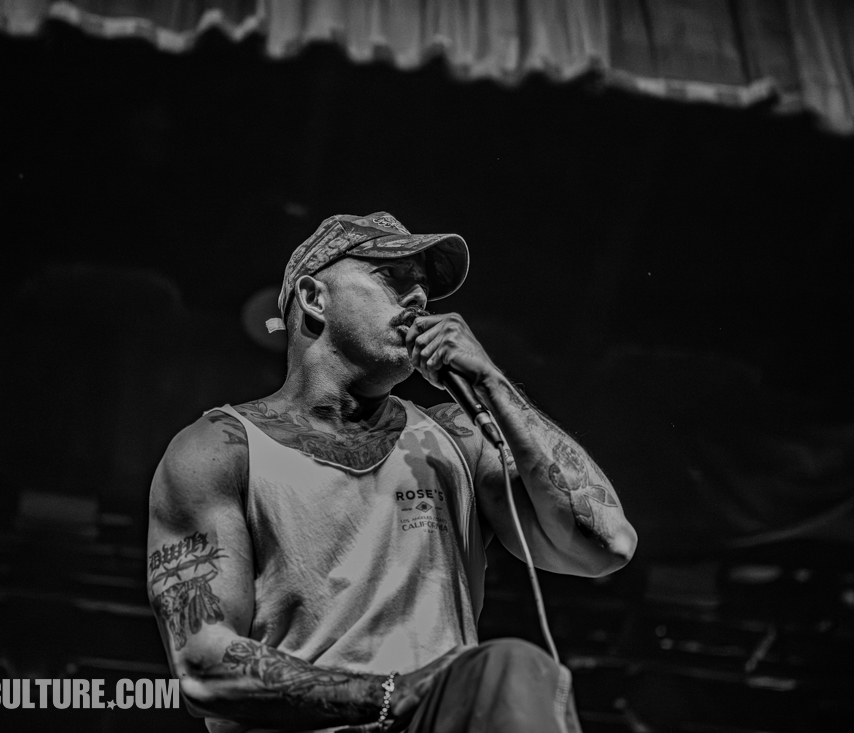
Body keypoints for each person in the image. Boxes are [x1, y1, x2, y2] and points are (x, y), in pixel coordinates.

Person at [146, 212, 637, 733]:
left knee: (516, 669)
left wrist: (492, 383)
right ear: (314, 298)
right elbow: (204, 668)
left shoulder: (457, 438)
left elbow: (606, 545)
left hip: (436, 720)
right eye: (393, 277)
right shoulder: (219, 449)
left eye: (423, 286)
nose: (419, 298)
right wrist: (392, 695)